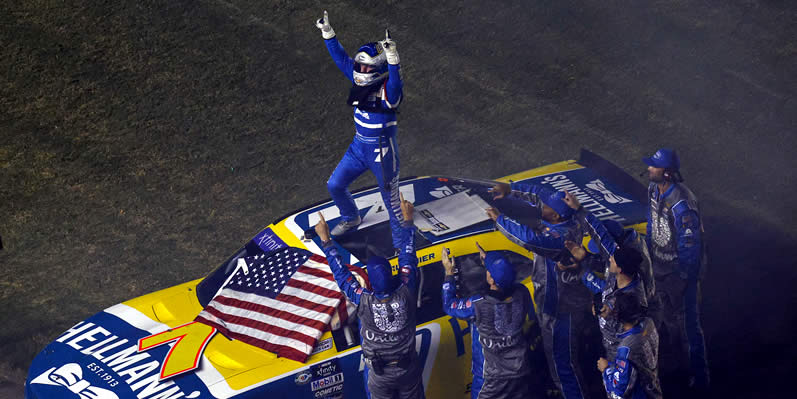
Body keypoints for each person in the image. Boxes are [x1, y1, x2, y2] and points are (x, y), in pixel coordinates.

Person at [488, 182, 592, 399]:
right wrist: (510, 189)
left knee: (564, 368)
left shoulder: (560, 238)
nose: (540, 207)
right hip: (569, 301)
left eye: (546, 207)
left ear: (554, 216)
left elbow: (529, 239)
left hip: (560, 310)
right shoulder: (568, 217)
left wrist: (501, 220)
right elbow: (539, 193)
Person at [315, 194, 424, 399]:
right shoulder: (407, 290)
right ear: (393, 275)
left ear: (370, 283)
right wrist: (408, 220)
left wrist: (326, 241)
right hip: (408, 369)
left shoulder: (363, 300)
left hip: (380, 374)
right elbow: (408, 257)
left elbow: (341, 275)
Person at [315, 11, 405, 249]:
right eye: (359, 65)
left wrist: (393, 56)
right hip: (359, 147)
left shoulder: (389, 92)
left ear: (376, 70)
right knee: (335, 185)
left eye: (364, 67)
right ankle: (351, 217)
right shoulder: (358, 79)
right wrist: (328, 33)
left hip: (382, 152)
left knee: (392, 201)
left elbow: (397, 81)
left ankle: (401, 244)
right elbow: (341, 58)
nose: (358, 70)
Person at [643, 148, 709, 388]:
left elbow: (690, 244)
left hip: (680, 274)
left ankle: (699, 379)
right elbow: (651, 222)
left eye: (654, 166)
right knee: (664, 319)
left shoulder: (682, 202)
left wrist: (684, 277)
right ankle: (678, 366)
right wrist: (650, 255)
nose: (649, 168)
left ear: (667, 173)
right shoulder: (653, 189)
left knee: (689, 327)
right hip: (660, 269)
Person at [441, 243, 532, 399]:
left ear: (490, 279)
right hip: (519, 370)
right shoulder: (522, 292)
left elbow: (449, 306)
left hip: (491, 379)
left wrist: (449, 272)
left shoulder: (479, 304)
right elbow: (507, 282)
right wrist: (491, 263)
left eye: (488, 271)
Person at [597, 292, 662, 399]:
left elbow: (619, 393)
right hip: (653, 389)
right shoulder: (648, 323)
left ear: (617, 316)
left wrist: (606, 370)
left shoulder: (626, 349)